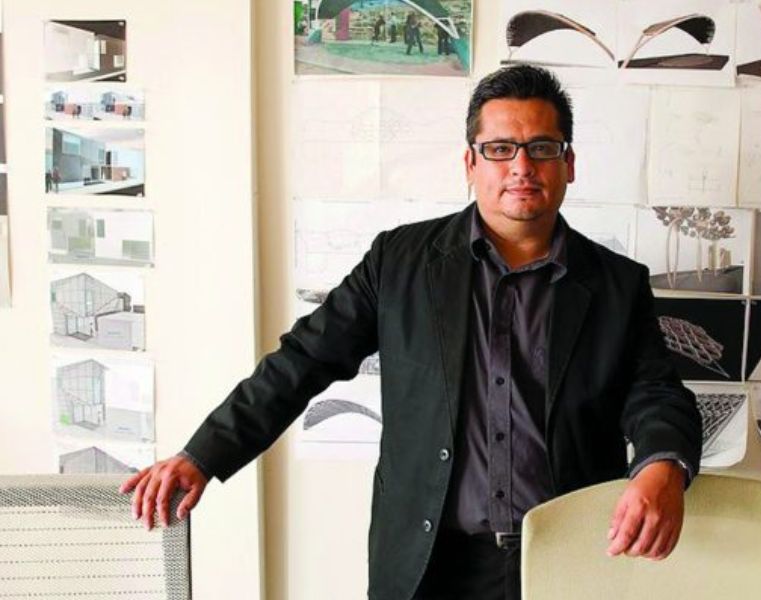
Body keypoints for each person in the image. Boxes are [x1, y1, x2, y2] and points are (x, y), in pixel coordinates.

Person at [121, 65, 701, 600]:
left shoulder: (617, 284)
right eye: (500, 149)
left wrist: (662, 465)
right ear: (471, 163)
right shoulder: (400, 262)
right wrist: (202, 454)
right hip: (429, 565)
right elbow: (302, 361)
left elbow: (657, 393)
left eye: (541, 148)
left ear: (568, 163)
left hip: (566, 560)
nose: (521, 167)